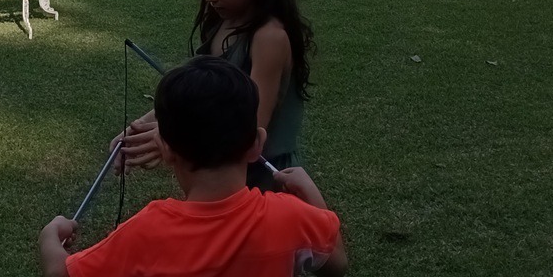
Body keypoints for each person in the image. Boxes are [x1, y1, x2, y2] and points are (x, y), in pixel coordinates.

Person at [41, 57, 346, 277]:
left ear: (167, 150)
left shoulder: (147, 231)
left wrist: (51, 236)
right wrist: (311, 194)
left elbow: (61, 272)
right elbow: (336, 263)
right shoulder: (290, 217)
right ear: (257, 144)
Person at [115, 0, 315, 191]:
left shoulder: (269, 38)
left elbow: (248, 127)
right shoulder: (223, 21)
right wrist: (139, 128)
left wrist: (171, 135)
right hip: (222, 175)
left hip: (265, 182)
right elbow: (199, 95)